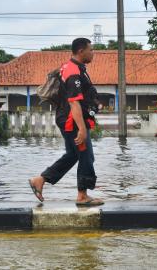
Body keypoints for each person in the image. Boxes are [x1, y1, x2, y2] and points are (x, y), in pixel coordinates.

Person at [29, 38, 104, 206]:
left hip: (69, 119)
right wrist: (82, 129)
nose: (93, 53)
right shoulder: (73, 73)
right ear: (80, 51)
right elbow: (73, 102)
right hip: (72, 121)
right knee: (86, 155)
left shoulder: (75, 68)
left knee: (72, 155)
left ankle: (40, 180)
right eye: (90, 50)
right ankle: (82, 196)